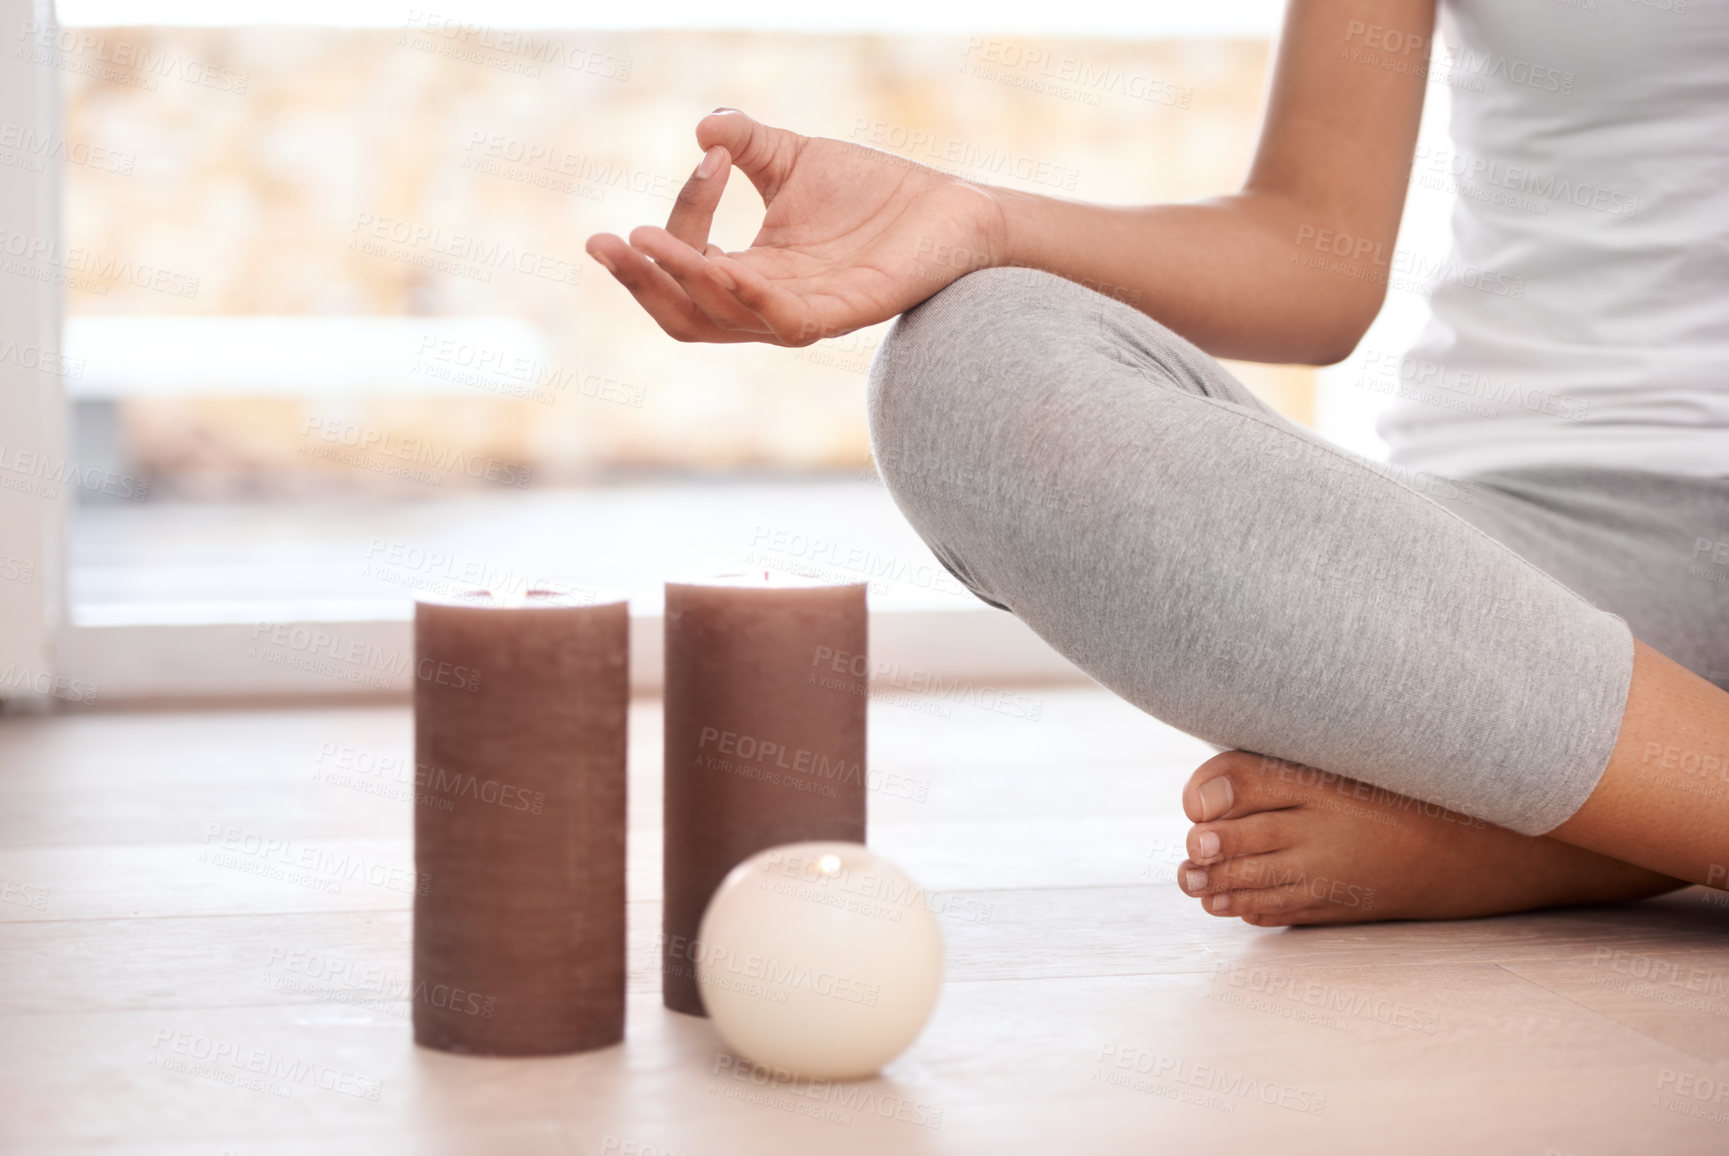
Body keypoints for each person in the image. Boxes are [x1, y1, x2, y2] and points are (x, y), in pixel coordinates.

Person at [585, 0, 1729, 925]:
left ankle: (1579, 828)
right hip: (1524, 569)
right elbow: (1308, 256)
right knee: (976, 359)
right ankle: (1643, 803)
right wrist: (972, 219)